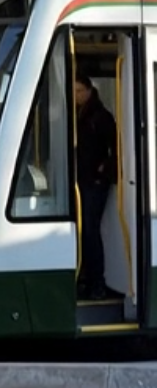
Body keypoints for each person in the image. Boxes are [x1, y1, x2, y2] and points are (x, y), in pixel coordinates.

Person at [75, 74, 118, 301]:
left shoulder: (100, 117)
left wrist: (104, 170)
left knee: (90, 231)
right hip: (83, 180)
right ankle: (86, 278)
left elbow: (117, 146)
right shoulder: (79, 115)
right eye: (74, 92)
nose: (77, 96)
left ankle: (97, 282)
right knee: (84, 231)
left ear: (90, 90)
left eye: (80, 92)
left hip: (94, 182)